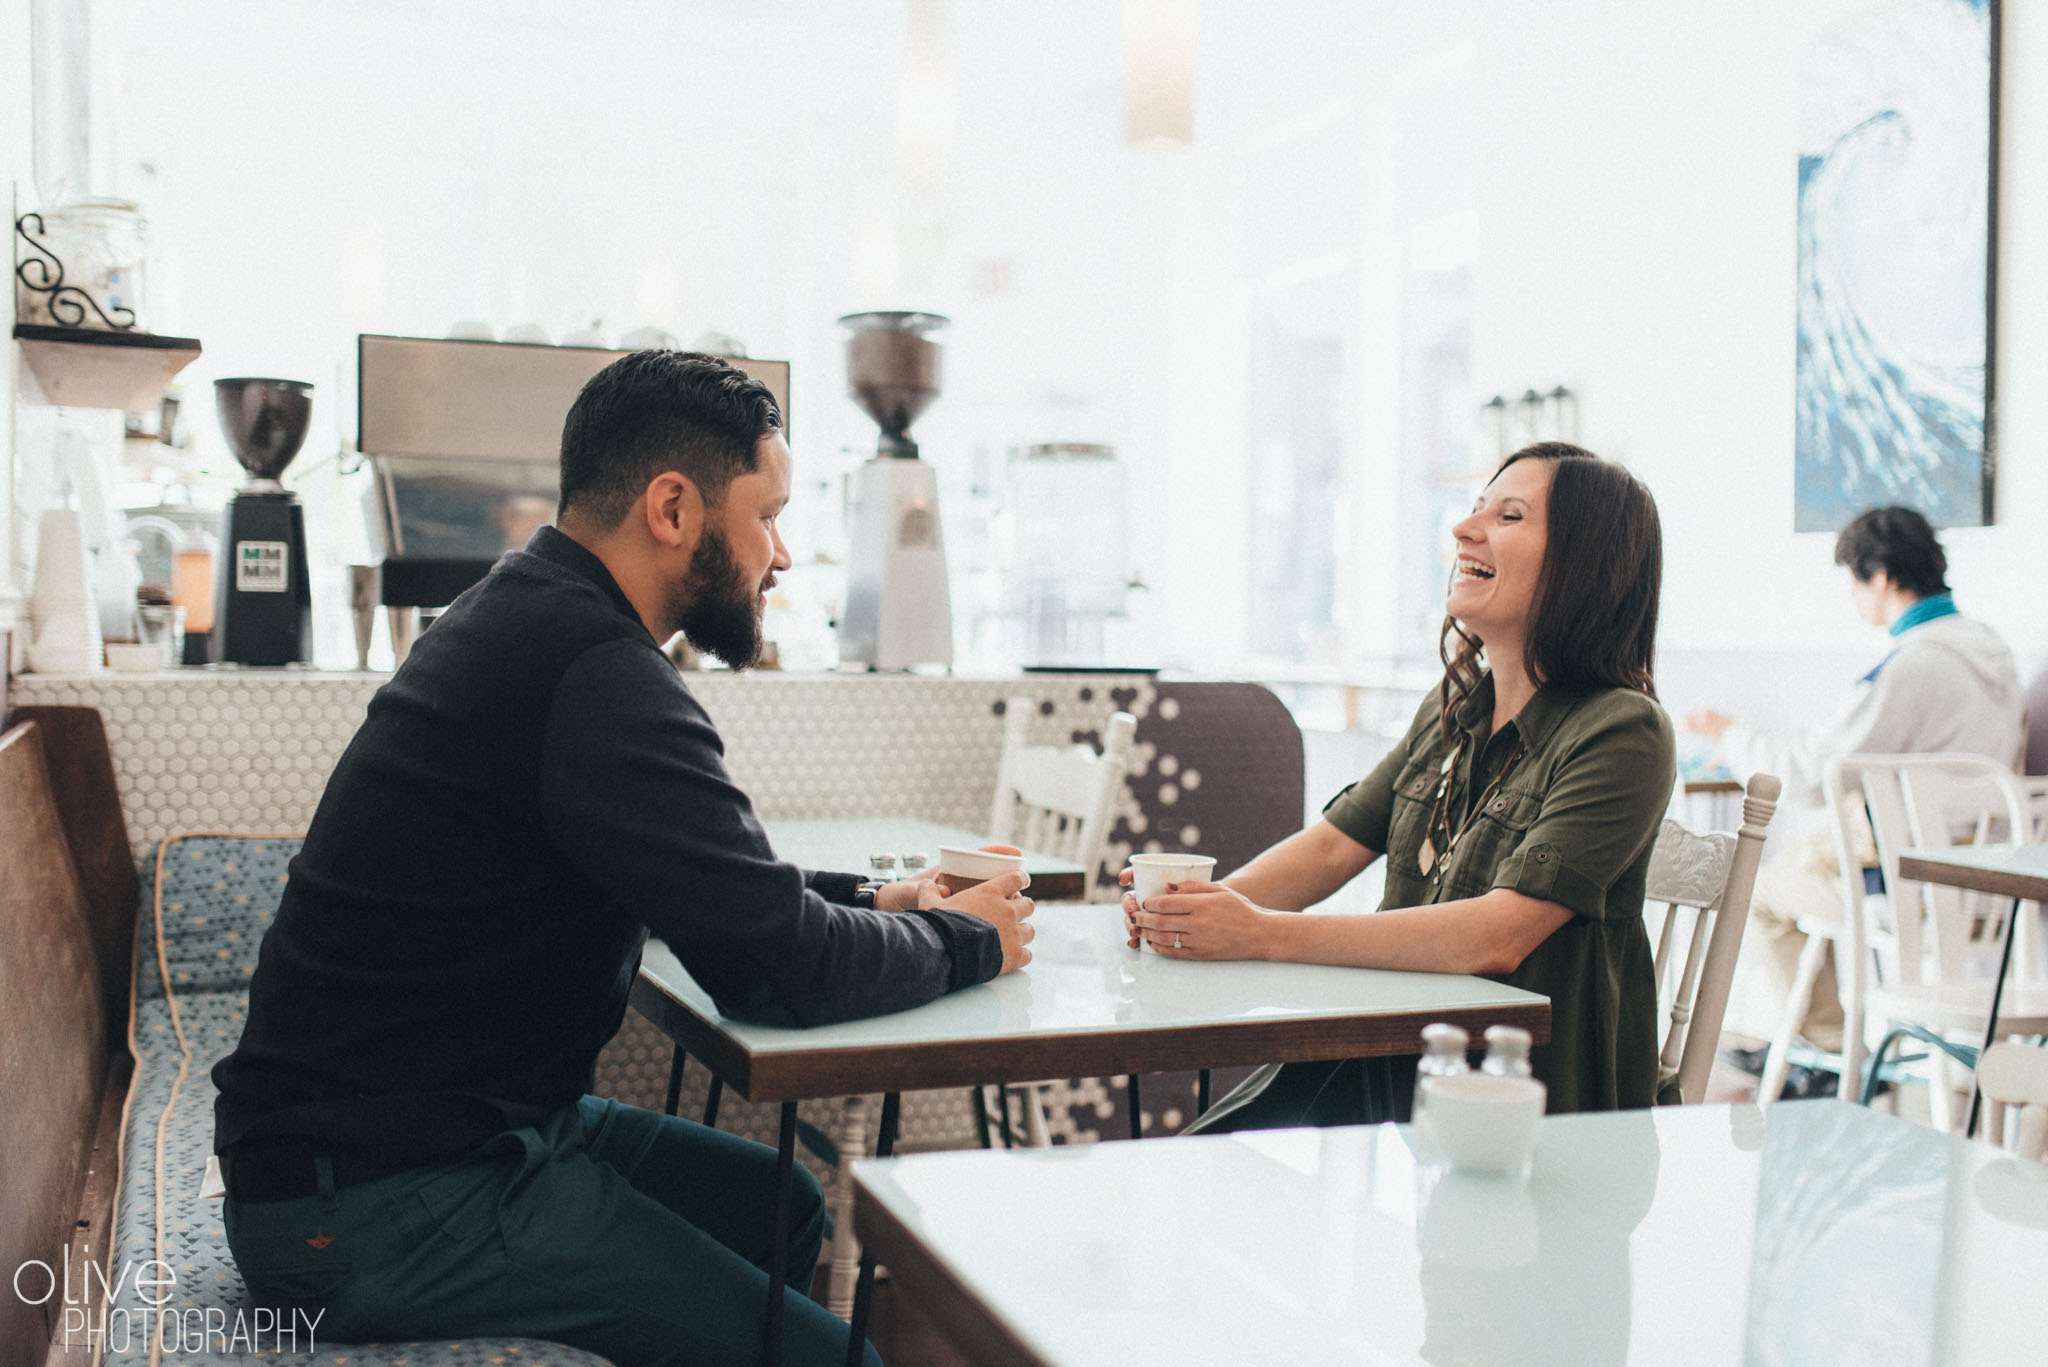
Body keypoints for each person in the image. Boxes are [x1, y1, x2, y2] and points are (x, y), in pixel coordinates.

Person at [210, 351, 1036, 1366]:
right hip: (377, 1202)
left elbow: (712, 885)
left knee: (779, 1204)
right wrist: (966, 940)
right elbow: (781, 968)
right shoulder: (594, 670)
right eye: (766, 515)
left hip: (412, 1140)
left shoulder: (525, 613)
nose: (780, 556)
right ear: (673, 507)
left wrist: (880, 897)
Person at [1125, 441, 1675, 1122]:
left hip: (1531, 1115)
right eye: (1476, 508)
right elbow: (1332, 848)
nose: (1464, 529)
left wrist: (1259, 932)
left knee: (1212, 1170)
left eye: (1508, 516)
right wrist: (1188, 912)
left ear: (1583, 566)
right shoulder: (1453, 704)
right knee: (1202, 1161)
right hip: (1392, 1066)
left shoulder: (1624, 731)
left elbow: (1497, 936)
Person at [1685, 505, 2023, 1074]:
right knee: (1805, 862)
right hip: (1990, 890)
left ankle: (1827, 1056)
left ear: (1882, 578)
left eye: (1853, 580)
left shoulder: (1912, 669)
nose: (1852, 595)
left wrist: (1731, 735)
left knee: (1759, 891)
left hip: (1916, 891)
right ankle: (1826, 1050)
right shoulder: (1993, 654)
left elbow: (1810, 776)